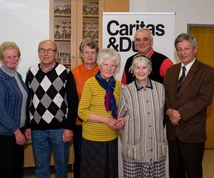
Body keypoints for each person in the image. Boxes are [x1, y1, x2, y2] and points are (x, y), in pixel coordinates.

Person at [164, 33, 214, 178]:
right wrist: (168, 110)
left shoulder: (207, 71)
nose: (183, 53)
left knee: (193, 172)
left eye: (186, 48)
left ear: (195, 49)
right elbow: (165, 95)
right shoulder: (171, 71)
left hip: (192, 133)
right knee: (175, 172)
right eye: (179, 49)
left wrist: (178, 113)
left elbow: (204, 99)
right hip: (173, 133)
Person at [25, 40, 78, 178]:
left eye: (50, 50)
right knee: (41, 167)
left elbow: (73, 102)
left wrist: (69, 127)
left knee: (61, 166)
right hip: (37, 130)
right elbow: (27, 100)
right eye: (42, 50)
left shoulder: (66, 72)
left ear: (56, 53)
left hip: (60, 129)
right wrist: (27, 125)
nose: (46, 53)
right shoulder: (31, 72)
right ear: (38, 53)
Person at [118, 55, 167, 178]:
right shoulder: (126, 91)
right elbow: (120, 120)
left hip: (156, 149)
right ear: (133, 71)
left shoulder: (160, 88)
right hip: (135, 151)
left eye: (144, 68)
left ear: (149, 70)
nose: (140, 71)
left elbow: (164, 115)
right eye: (137, 68)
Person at [78, 48, 122, 178]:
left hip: (112, 137)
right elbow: (82, 112)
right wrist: (106, 120)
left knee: (110, 173)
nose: (109, 68)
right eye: (105, 64)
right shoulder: (90, 83)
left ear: (116, 68)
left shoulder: (118, 85)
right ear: (99, 65)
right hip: (93, 139)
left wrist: (120, 120)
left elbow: (120, 109)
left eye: (112, 65)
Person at [0, 41, 28, 178]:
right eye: (8, 57)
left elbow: (22, 104)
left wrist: (25, 127)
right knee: (5, 171)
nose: (12, 60)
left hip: (17, 131)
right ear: (1, 59)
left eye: (15, 56)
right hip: (3, 133)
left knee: (17, 168)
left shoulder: (17, 75)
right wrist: (16, 131)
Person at [71, 38, 99, 178]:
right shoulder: (73, 73)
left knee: (97, 157)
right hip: (79, 123)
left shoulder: (102, 71)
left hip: (99, 123)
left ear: (97, 54)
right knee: (81, 157)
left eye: (92, 52)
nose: (89, 55)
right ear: (81, 54)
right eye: (86, 52)